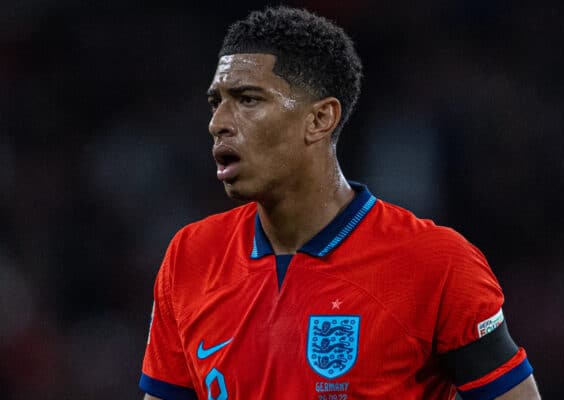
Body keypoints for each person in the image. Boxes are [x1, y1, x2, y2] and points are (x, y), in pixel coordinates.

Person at [140, 6, 541, 400]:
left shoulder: (436, 263)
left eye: (247, 100)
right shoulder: (191, 257)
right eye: (216, 102)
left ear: (319, 120)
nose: (218, 122)